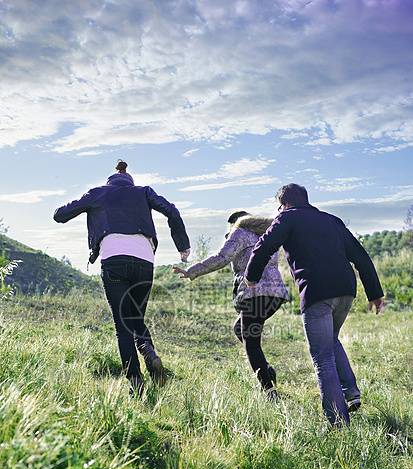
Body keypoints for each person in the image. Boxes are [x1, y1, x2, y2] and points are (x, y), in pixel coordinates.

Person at [244, 183, 384, 427]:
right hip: (346, 290)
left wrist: (251, 275)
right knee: (330, 339)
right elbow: (360, 255)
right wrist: (374, 292)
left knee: (322, 357)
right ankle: (350, 392)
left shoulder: (286, 218)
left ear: (285, 204)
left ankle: (338, 423)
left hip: (317, 291)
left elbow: (265, 244)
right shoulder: (332, 220)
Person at [53, 160, 190, 396]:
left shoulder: (98, 193)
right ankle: (149, 352)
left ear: (110, 181)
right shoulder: (143, 192)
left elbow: (60, 215)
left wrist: (86, 202)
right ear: (130, 181)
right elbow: (172, 210)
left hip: (114, 259)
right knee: (136, 319)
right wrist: (183, 246)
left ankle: (135, 381)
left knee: (122, 327)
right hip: (144, 261)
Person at [173, 211, 289, 400]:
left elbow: (221, 258)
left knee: (251, 344)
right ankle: (266, 369)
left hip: (254, 293)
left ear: (234, 224)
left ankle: (269, 392)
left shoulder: (240, 232)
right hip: (275, 295)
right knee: (239, 329)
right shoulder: (266, 234)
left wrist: (191, 271)